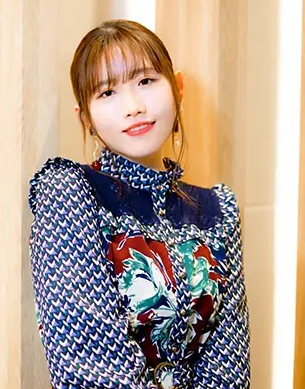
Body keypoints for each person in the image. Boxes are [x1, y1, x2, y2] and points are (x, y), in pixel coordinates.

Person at [27, 19, 250, 388]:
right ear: (86, 118)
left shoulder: (217, 210)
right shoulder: (68, 193)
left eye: (145, 81)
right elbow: (88, 366)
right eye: (107, 93)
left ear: (178, 88)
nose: (132, 107)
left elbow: (229, 368)